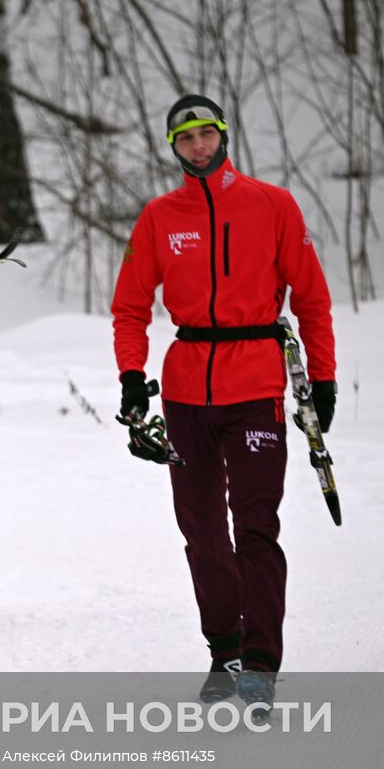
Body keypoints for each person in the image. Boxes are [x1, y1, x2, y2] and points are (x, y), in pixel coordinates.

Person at [109, 94, 337, 711]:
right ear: (174, 148)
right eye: (186, 140)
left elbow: (312, 300)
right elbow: (130, 308)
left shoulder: (272, 205)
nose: (199, 147)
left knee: (256, 528)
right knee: (203, 532)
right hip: (185, 391)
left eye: (206, 134)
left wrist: (323, 380)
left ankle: (262, 664)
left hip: (256, 385)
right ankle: (225, 648)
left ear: (223, 135)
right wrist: (132, 377)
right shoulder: (160, 216)